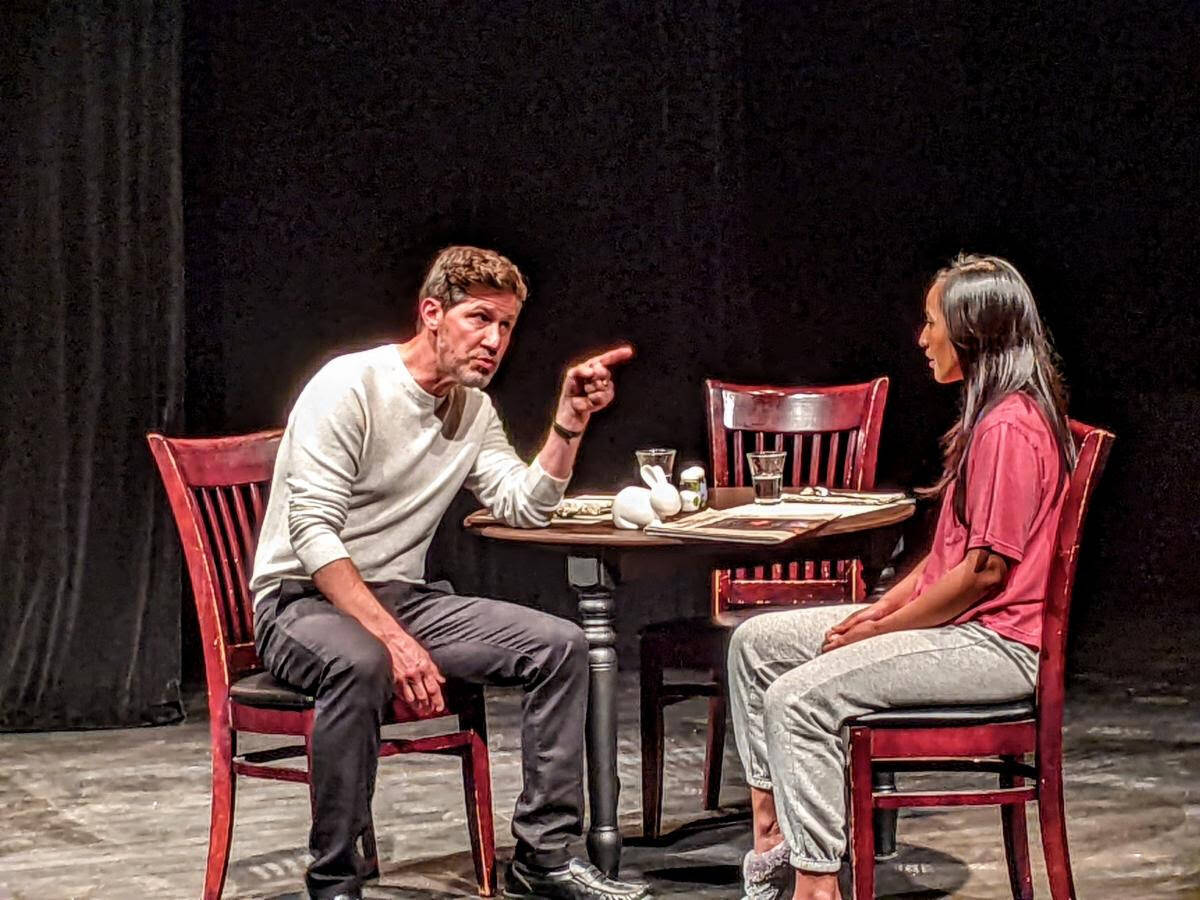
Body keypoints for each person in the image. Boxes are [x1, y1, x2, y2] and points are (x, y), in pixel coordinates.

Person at [249, 246, 650, 900]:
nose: (494, 340)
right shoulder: (349, 387)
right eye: (479, 318)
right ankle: (334, 882)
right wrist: (393, 639)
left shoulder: (472, 410)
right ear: (431, 313)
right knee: (361, 662)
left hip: (402, 597)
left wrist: (569, 425)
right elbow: (313, 537)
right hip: (302, 602)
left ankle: (543, 859)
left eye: (507, 326)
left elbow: (521, 505)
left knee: (559, 647)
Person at [727, 253, 1076, 900]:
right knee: (757, 646)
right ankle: (772, 846)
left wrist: (876, 633)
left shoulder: (1009, 427)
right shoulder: (986, 419)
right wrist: (880, 612)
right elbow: (946, 560)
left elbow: (981, 575)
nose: (922, 338)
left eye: (932, 322)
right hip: (961, 629)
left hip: (995, 647)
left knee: (797, 699)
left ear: (971, 330)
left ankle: (814, 884)